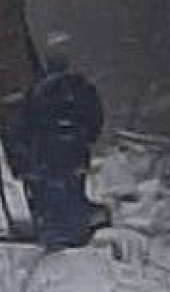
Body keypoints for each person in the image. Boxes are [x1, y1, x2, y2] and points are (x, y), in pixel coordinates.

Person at [13, 52, 107, 249]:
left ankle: (55, 232)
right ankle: (75, 232)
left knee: (50, 190)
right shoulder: (81, 88)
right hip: (75, 149)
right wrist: (87, 138)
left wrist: (25, 148)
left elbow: (24, 122)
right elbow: (95, 116)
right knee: (73, 188)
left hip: (47, 150)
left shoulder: (38, 91)